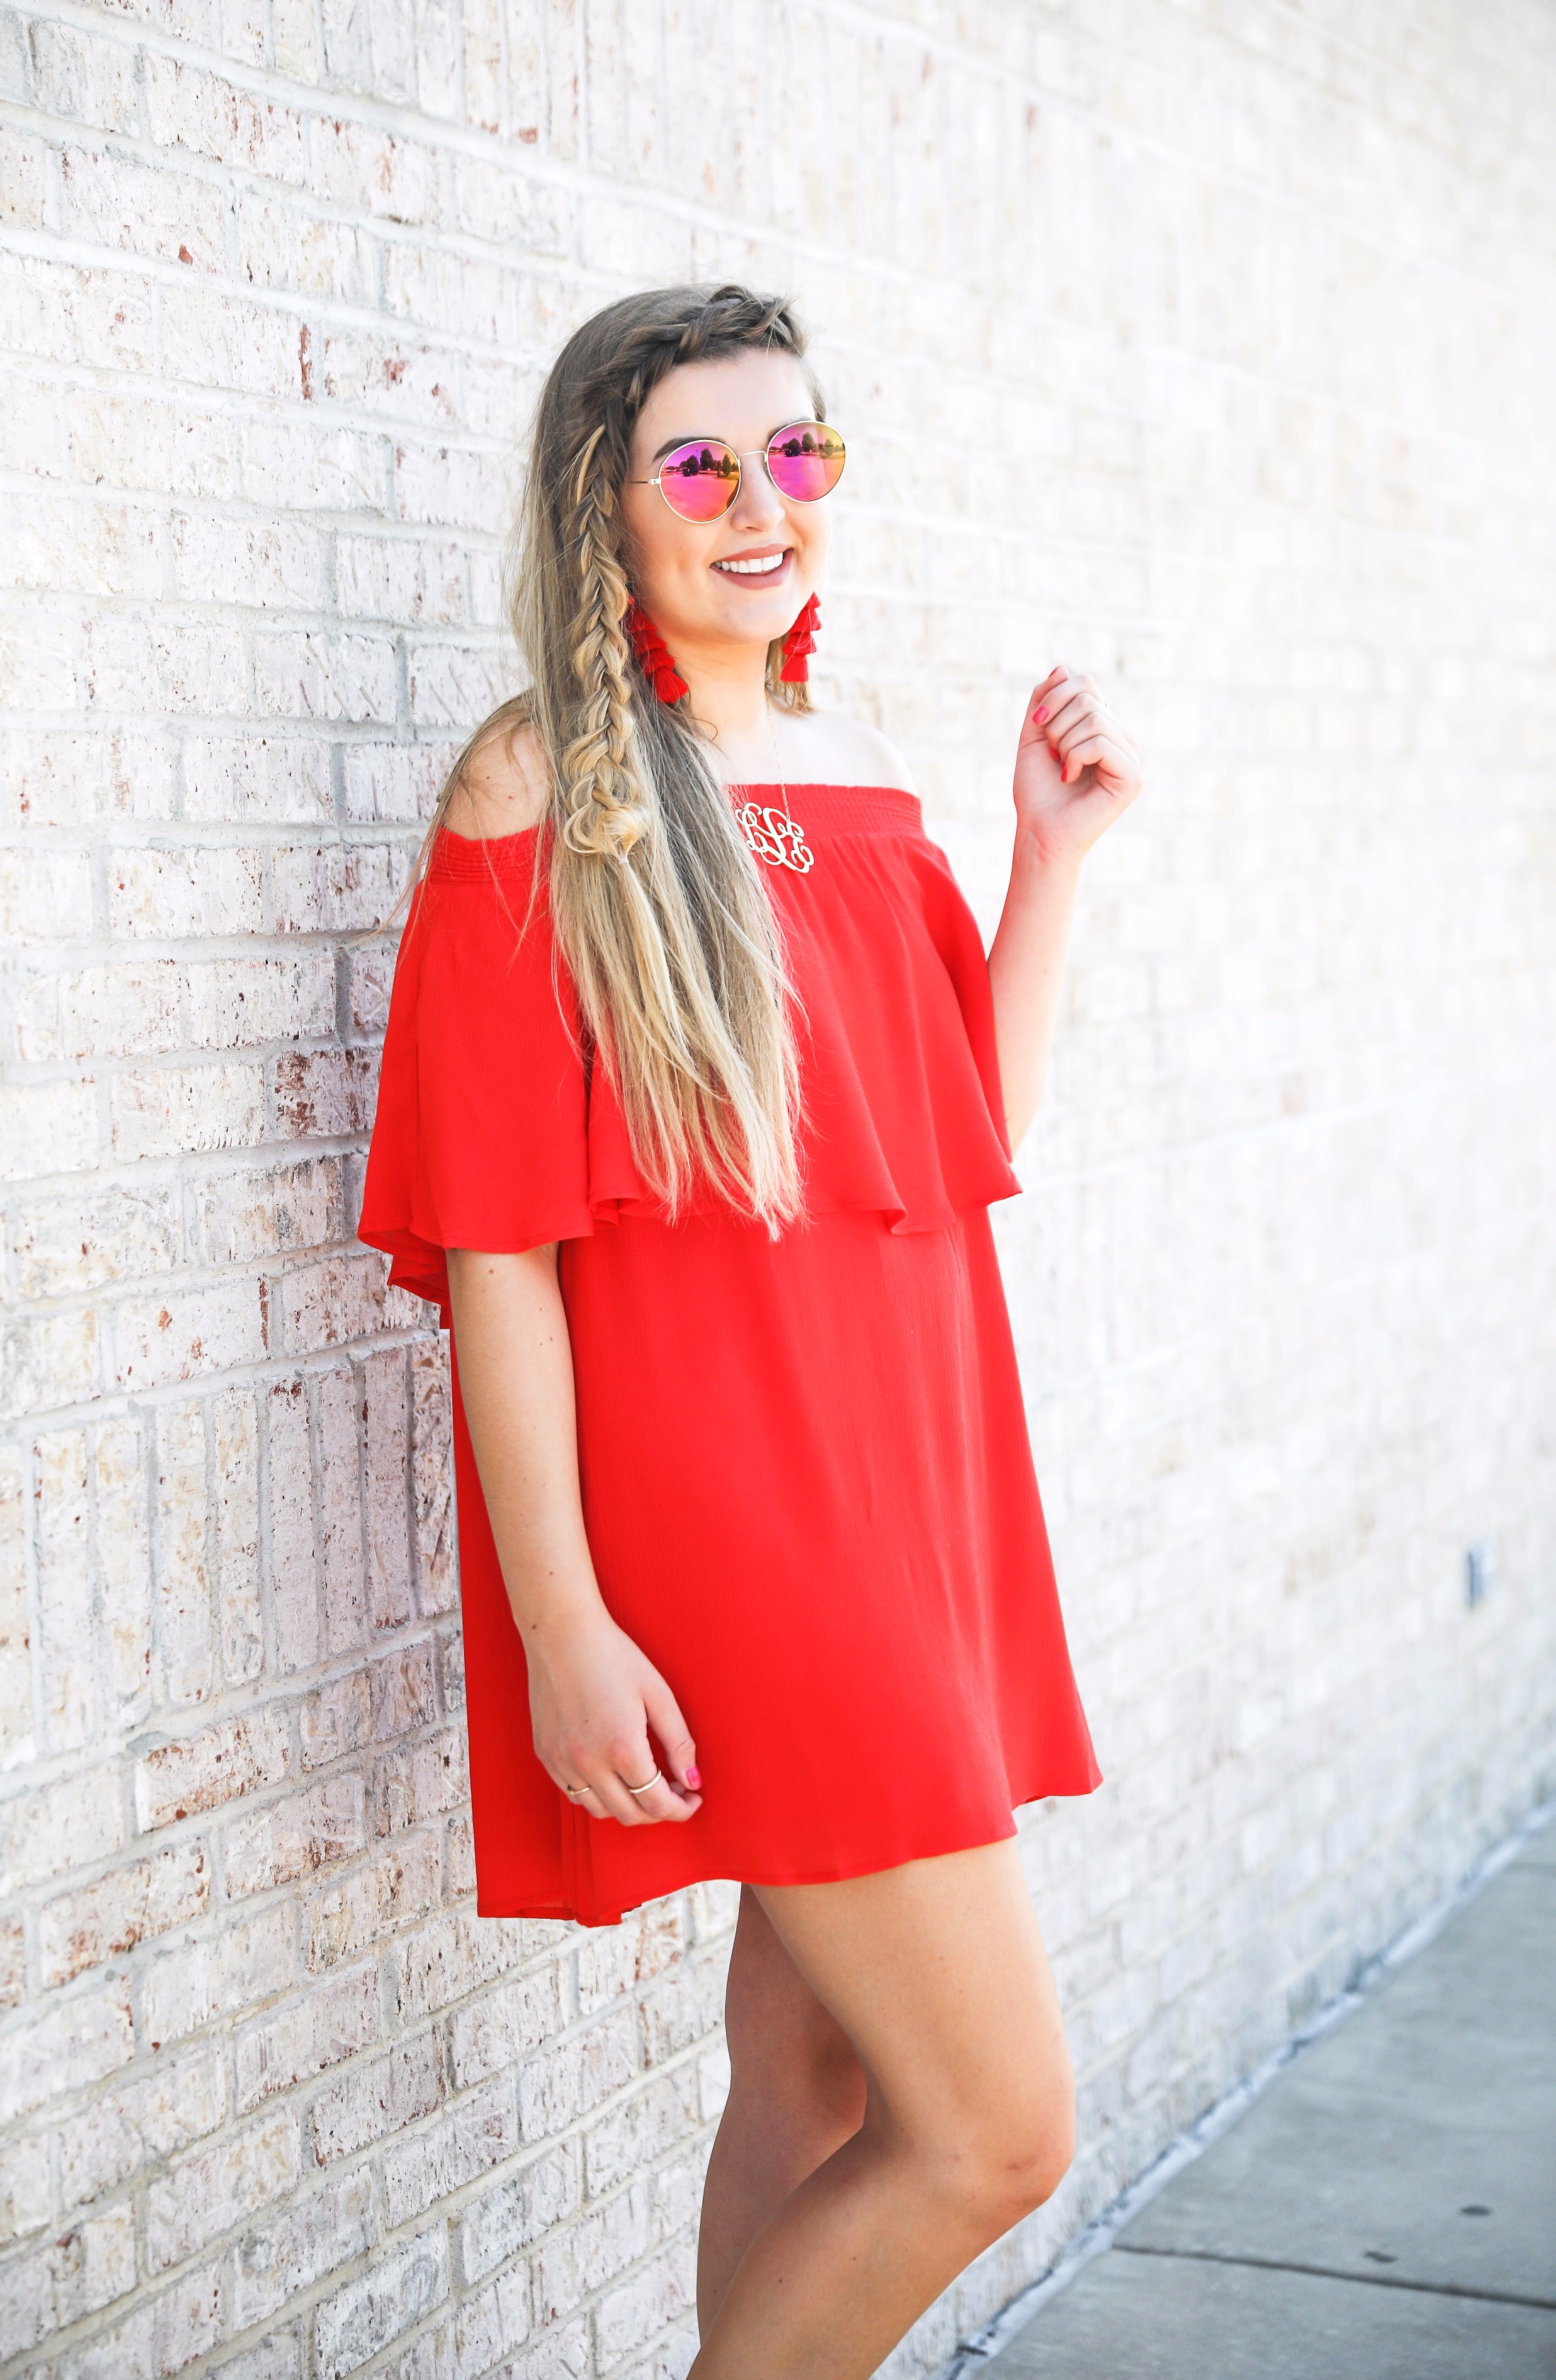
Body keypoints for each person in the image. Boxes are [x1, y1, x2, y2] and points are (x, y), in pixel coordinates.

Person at [359, 282, 1144, 2380]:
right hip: (754, 1531)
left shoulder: (854, 765)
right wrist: (565, 1619)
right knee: (998, 2134)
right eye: (696, 462)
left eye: (797, 451)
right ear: (601, 507)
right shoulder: (542, 790)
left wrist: (1046, 867)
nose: (760, 501)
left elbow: (964, 1132)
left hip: (913, 1486)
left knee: (816, 2092)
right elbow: (497, 1254)